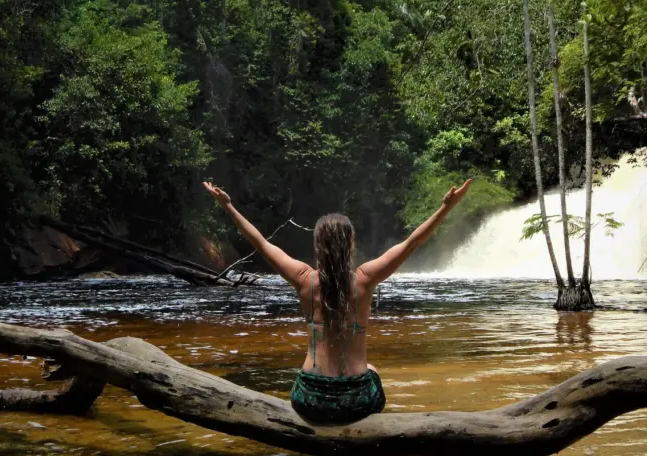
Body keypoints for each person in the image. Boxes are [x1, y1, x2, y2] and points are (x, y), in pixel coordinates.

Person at [202, 178, 473, 424]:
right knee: (371, 369)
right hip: (359, 401)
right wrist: (445, 208)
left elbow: (260, 242)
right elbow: (412, 243)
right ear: (350, 244)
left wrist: (228, 206)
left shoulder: (304, 278)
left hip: (309, 398)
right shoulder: (365, 279)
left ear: (318, 245)